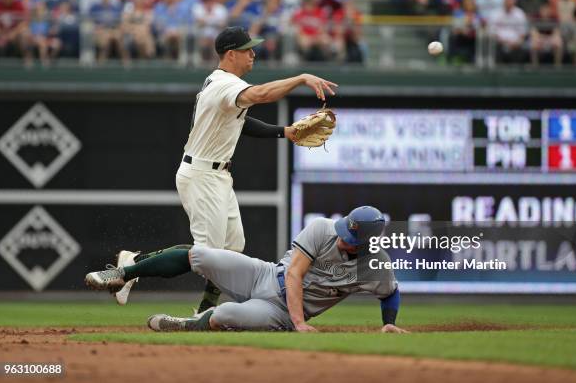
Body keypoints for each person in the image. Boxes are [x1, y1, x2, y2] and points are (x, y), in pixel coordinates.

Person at [111, 26, 337, 318]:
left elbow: (243, 123)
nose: (253, 54)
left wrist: (286, 132)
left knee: (231, 249)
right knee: (206, 254)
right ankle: (130, 268)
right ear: (231, 54)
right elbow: (263, 93)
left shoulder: (225, 86)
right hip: (202, 174)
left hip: (216, 175)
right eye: (247, 49)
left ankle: (204, 309)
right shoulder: (224, 85)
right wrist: (301, 77)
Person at [85, 206, 408, 333]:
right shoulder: (323, 229)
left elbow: (390, 293)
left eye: (351, 239)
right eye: (344, 231)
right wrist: (300, 324)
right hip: (265, 274)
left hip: (277, 311)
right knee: (202, 256)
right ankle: (123, 274)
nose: (342, 239)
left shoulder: (375, 267)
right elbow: (294, 273)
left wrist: (389, 324)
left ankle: (188, 323)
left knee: (225, 315)